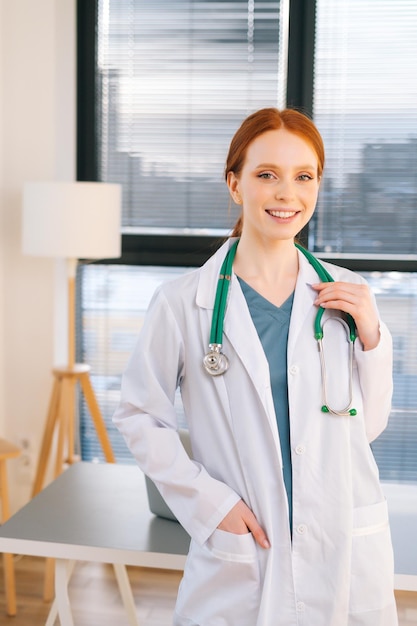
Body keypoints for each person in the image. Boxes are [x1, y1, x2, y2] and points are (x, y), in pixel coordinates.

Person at [113, 108, 398, 625]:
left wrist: (373, 339)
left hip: (342, 541)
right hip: (244, 547)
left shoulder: (346, 296)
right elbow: (138, 415)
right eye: (267, 174)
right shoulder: (183, 302)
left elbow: (368, 427)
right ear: (236, 184)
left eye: (303, 176)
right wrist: (212, 506)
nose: (287, 193)